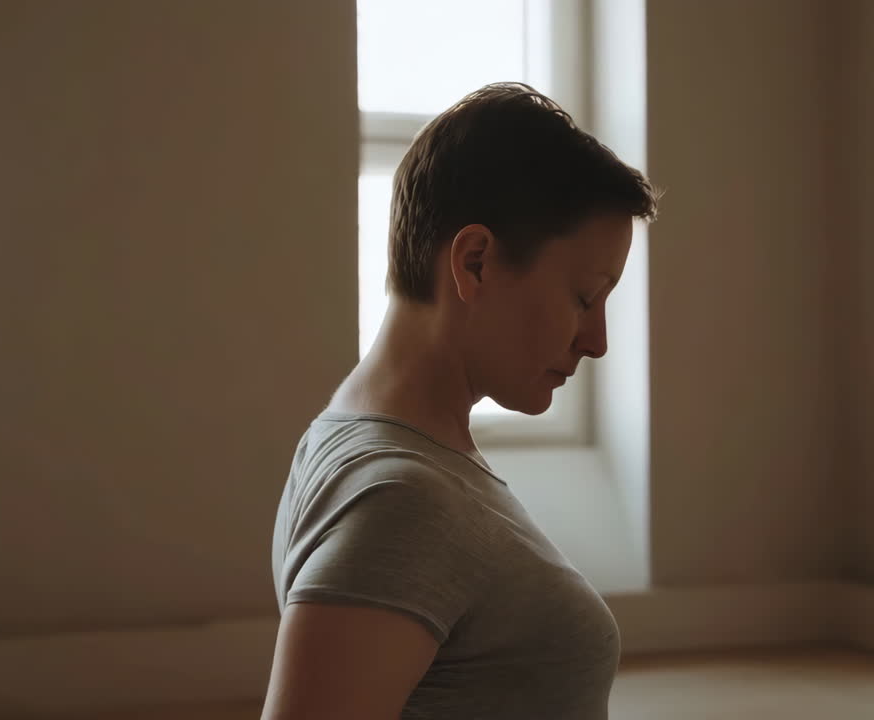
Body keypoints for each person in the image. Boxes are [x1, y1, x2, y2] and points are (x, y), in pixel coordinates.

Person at [264, 82, 658, 719]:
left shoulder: (356, 435)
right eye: (584, 298)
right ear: (475, 262)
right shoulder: (399, 500)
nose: (598, 341)